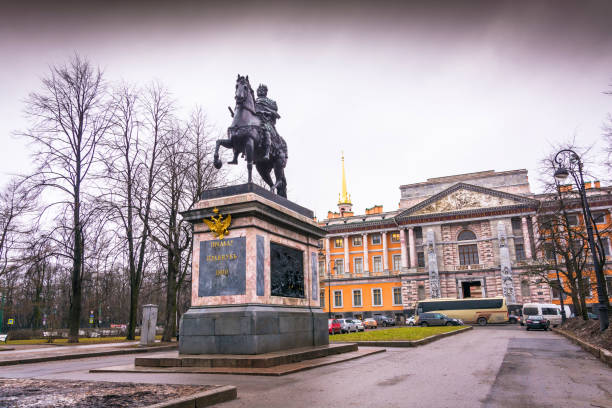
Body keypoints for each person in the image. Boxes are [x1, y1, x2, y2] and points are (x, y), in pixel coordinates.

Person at [255, 84, 281, 160]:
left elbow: (274, 112)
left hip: (266, 121)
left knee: (266, 131)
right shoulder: (253, 101)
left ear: (265, 92)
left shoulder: (271, 102)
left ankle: (267, 151)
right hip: (255, 119)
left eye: (262, 90)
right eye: (258, 90)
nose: (260, 91)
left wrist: (268, 113)